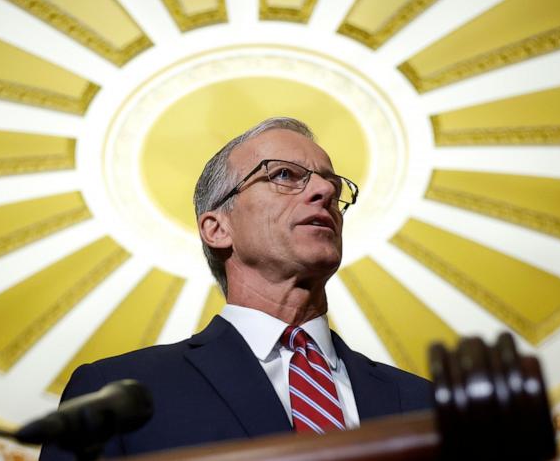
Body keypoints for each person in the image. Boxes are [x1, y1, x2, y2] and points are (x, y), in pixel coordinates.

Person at [40, 118, 433, 459]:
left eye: (332, 183)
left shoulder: (425, 406)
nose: (325, 192)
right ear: (217, 228)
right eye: (284, 175)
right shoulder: (120, 398)